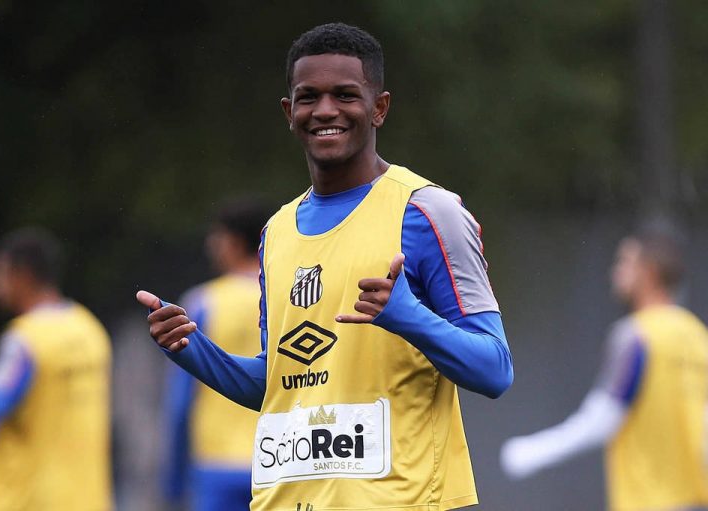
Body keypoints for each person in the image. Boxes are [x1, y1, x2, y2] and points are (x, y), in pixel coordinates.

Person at [138, 23, 513, 510]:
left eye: (345, 95)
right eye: (309, 97)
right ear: (289, 112)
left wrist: (408, 317)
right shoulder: (276, 232)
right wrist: (192, 350)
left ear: (379, 108)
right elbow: (280, 384)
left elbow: (494, 369)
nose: (326, 110)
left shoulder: (428, 212)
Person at [500, 228, 708, 511]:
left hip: (647, 502)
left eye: (625, 263)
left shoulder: (636, 334)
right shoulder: (698, 337)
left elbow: (602, 418)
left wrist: (533, 451)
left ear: (649, 272)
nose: (615, 272)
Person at [0, 227, 113, 511]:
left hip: (33, 500)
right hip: (88, 499)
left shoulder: (27, 338)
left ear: (22, 275)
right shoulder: (89, 329)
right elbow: (51, 409)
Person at [162, 198, 271, 511]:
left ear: (232, 242)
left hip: (216, 464)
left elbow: (182, 399)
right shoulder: (284, 294)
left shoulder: (203, 302)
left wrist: (174, 478)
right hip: (278, 456)